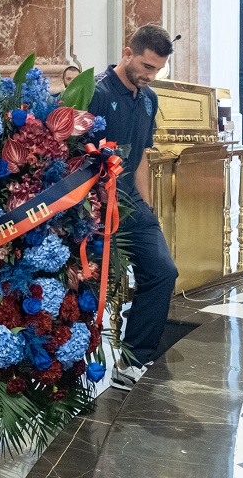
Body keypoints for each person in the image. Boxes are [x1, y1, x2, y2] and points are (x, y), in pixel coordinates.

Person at [88, 24, 179, 391]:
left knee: (163, 272)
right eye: (145, 65)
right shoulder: (96, 92)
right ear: (128, 53)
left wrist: (146, 206)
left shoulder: (148, 98)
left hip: (130, 205)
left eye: (156, 69)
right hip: (92, 208)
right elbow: (74, 156)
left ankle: (134, 359)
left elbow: (140, 156)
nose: (149, 75)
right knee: (88, 288)